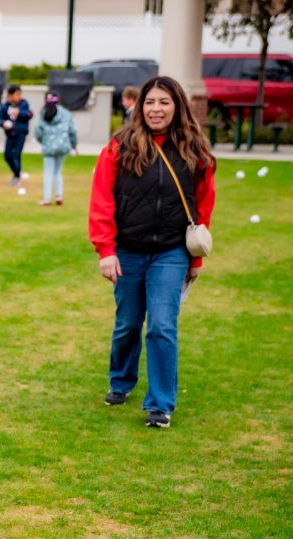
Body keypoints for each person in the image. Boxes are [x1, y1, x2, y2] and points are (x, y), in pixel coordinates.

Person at [88, 76, 216, 428]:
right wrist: (106, 249)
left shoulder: (195, 151)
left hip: (171, 253)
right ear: (139, 106)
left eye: (164, 102)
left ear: (177, 106)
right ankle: (121, 381)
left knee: (162, 326)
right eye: (150, 102)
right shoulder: (120, 147)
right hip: (127, 251)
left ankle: (160, 404)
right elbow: (101, 200)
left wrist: (195, 258)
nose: (156, 109)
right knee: (128, 324)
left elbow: (203, 207)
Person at [33, 91, 78, 206]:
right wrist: (74, 145)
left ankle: (47, 199)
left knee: (48, 172)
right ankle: (59, 196)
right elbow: (72, 131)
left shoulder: (43, 113)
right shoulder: (66, 113)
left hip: (48, 147)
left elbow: (38, 131)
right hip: (63, 146)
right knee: (58, 172)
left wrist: (43, 141)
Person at [0, 85, 33, 186]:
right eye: (17, 94)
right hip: (10, 135)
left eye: (20, 94)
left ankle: (16, 177)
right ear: (10, 95)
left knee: (16, 155)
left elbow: (29, 114)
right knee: (7, 156)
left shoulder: (24, 104)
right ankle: (17, 173)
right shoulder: (5, 106)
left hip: (21, 134)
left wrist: (19, 112)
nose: (19, 96)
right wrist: (3, 123)